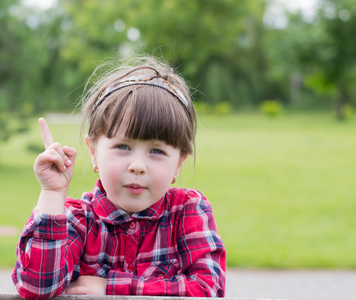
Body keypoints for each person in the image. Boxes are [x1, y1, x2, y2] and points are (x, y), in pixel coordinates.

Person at [12, 56, 226, 299]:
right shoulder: (79, 221)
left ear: (178, 164)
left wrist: (111, 287)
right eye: (123, 146)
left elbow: (209, 289)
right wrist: (52, 194)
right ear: (93, 152)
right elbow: (37, 287)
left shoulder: (187, 212)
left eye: (157, 151)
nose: (137, 166)